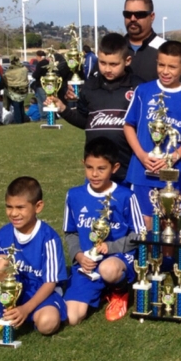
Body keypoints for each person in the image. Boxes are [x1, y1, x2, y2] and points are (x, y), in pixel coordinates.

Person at [0, 177, 68, 343]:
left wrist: (26, 309)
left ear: (38, 206)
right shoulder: (1, 236)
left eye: (20, 207)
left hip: (41, 294)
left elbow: (50, 283)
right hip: (13, 294)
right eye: (9, 207)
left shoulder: (49, 238)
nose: (13, 213)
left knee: (48, 324)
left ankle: (23, 316)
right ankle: (0, 317)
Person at [63, 137, 146, 324]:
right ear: (83, 164)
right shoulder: (74, 195)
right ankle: (98, 289)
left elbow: (140, 234)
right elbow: (70, 233)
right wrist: (78, 255)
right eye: (90, 167)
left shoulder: (126, 196)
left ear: (114, 168)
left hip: (118, 260)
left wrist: (113, 247)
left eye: (101, 169)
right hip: (87, 264)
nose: (94, 174)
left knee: (108, 269)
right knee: (72, 317)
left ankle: (119, 291)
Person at [49, 33, 144, 184]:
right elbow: (85, 121)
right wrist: (63, 109)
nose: (107, 69)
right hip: (96, 171)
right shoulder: (89, 87)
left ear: (127, 61)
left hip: (128, 170)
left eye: (113, 64)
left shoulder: (139, 87)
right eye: (103, 63)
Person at [124, 40, 181, 230]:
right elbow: (128, 125)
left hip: (172, 172)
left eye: (172, 67)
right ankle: (146, 260)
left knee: (169, 222)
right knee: (144, 222)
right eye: (161, 64)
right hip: (142, 169)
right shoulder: (143, 91)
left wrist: (172, 158)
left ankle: (167, 261)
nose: (165, 71)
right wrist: (141, 155)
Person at [123, 0, 181, 86]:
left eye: (139, 14)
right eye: (128, 14)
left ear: (152, 16)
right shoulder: (114, 48)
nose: (133, 18)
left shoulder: (167, 51)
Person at [4, 56, 29, 125]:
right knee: (21, 105)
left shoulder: (10, 71)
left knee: (16, 106)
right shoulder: (24, 69)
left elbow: (6, 77)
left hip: (14, 91)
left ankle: (18, 121)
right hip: (23, 90)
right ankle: (22, 119)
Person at [31, 50, 49, 120]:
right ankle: (49, 115)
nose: (36, 58)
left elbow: (36, 74)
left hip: (40, 84)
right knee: (47, 100)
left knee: (42, 102)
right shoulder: (48, 63)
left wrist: (33, 74)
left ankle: (44, 117)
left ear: (40, 56)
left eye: (37, 56)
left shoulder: (40, 64)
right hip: (48, 84)